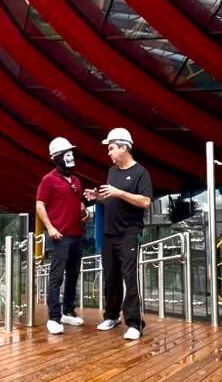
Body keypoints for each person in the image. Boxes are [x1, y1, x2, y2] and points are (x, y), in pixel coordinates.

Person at [84, 128, 153, 340]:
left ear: (124, 147)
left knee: (129, 277)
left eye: (112, 148)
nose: (109, 153)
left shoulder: (141, 173)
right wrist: (98, 197)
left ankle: (134, 323)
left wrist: (119, 192)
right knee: (110, 276)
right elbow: (111, 199)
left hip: (129, 233)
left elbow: (145, 202)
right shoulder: (112, 172)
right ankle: (111, 316)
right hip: (109, 233)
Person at [36, 137, 89, 334]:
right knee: (56, 276)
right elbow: (40, 204)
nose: (70, 157)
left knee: (73, 274)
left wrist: (85, 213)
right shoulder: (48, 180)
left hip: (76, 235)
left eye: (71, 153)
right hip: (59, 235)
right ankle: (54, 317)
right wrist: (49, 227)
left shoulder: (76, 180)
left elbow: (76, 205)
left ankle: (68, 311)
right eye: (66, 154)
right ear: (57, 158)